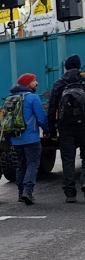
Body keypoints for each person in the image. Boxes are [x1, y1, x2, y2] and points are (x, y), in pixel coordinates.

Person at [2, 73, 49, 205]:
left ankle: (20, 193)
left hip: (16, 138)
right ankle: (28, 191)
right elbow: (41, 117)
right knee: (33, 164)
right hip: (31, 138)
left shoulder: (11, 98)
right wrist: (46, 130)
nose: (37, 83)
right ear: (28, 83)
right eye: (34, 81)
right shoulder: (33, 98)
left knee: (20, 165)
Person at [49, 53, 85, 201]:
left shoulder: (59, 83)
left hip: (65, 127)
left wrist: (51, 130)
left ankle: (70, 192)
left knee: (68, 159)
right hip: (84, 125)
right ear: (79, 66)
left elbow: (52, 109)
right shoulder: (83, 81)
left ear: (65, 67)